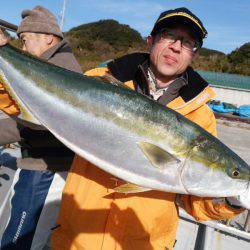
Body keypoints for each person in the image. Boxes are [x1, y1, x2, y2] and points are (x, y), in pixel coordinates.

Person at [51, 7, 249, 250]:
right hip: (77, 238)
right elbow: (25, 103)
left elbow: (193, 198)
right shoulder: (100, 79)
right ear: (151, 40)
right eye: (169, 35)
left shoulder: (200, 115)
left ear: (192, 56)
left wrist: (232, 197)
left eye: (188, 43)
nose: (177, 46)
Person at [0, 6, 82, 250]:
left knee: (20, 243)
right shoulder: (50, 66)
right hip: (39, 168)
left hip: (45, 171)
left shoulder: (61, 69)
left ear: (48, 37)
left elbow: (34, 122)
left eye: (25, 41)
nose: (23, 49)